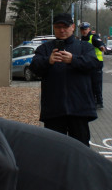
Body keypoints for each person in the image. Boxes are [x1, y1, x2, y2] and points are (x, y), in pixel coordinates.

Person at [30, 13, 99, 145]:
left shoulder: (84, 47)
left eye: (65, 27)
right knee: (55, 149)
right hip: (54, 110)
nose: (62, 30)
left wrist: (74, 60)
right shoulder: (44, 49)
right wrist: (48, 61)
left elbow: (94, 64)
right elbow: (34, 67)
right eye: (58, 27)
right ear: (53, 28)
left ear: (72, 27)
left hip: (79, 109)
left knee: (80, 149)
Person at [79, 22, 106, 108]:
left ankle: (99, 102)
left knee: (96, 84)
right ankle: (91, 101)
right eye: (82, 30)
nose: (84, 31)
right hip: (87, 64)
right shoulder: (82, 40)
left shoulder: (93, 37)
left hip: (96, 64)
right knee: (88, 84)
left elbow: (100, 44)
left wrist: (101, 47)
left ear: (89, 29)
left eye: (85, 29)